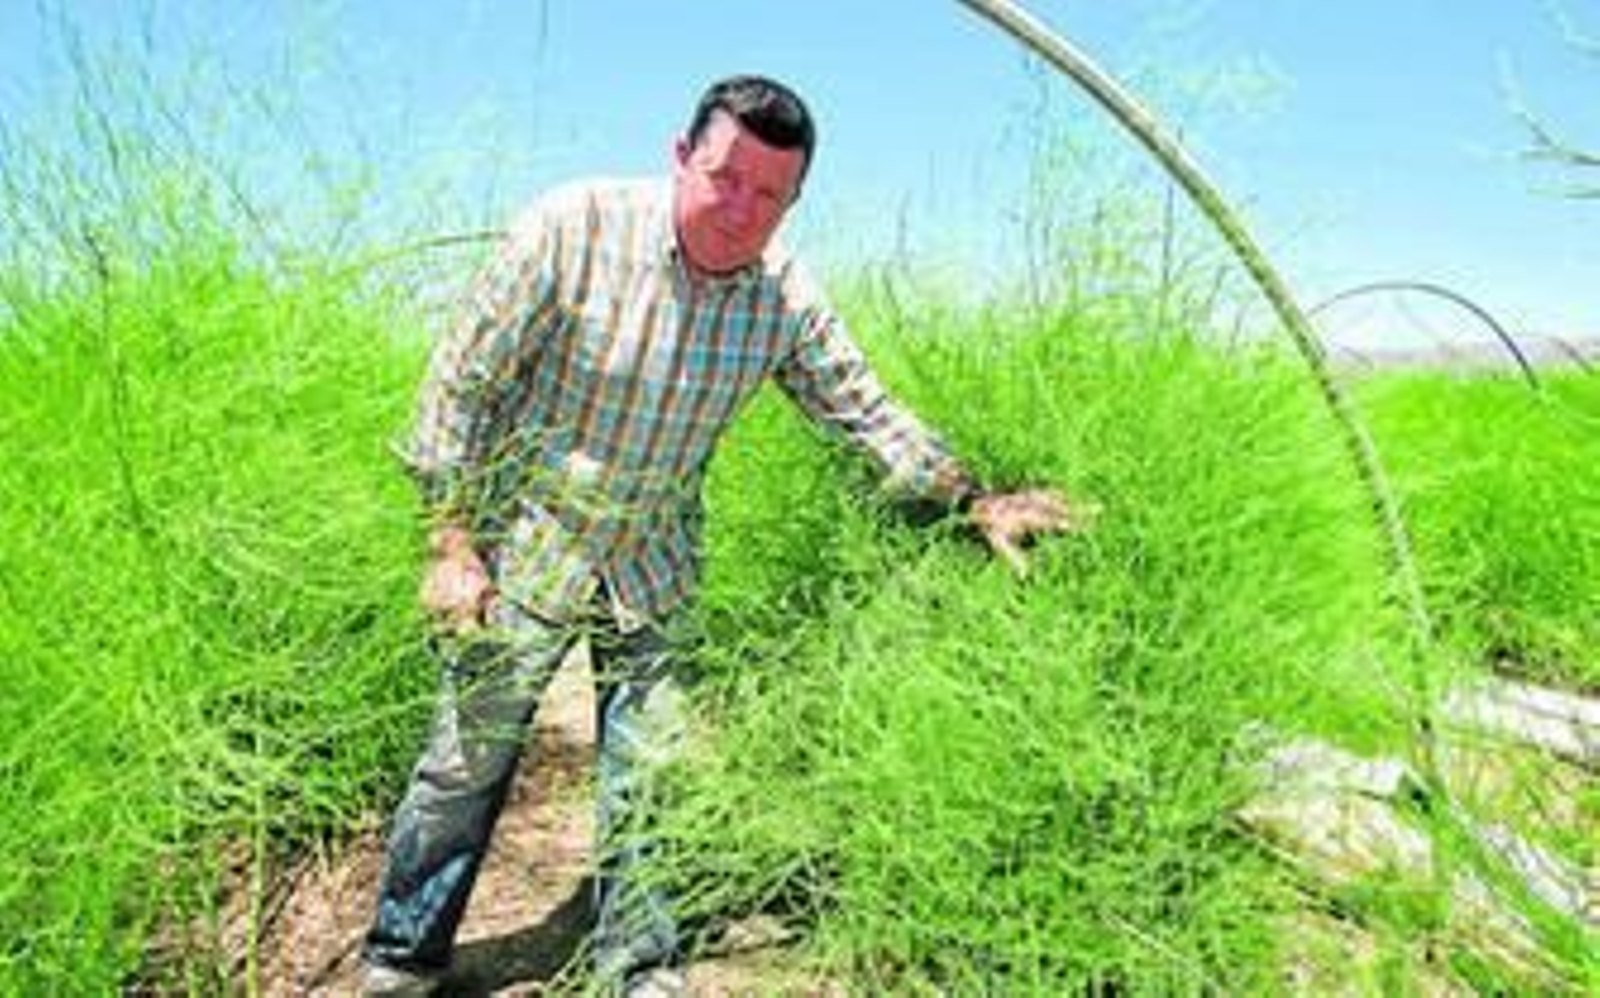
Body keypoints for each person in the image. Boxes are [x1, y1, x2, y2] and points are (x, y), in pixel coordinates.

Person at [362, 74, 1090, 996]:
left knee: (653, 775)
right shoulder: (571, 227)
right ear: (680, 155)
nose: (740, 210)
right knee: (463, 765)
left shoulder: (782, 297)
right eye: (724, 176)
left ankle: (640, 968)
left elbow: (862, 413)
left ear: (793, 201)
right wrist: (450, 543)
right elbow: (459, 386)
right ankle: (403, 955)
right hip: (521, 545)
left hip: (655, 559)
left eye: (769, 195)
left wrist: (974, 499)